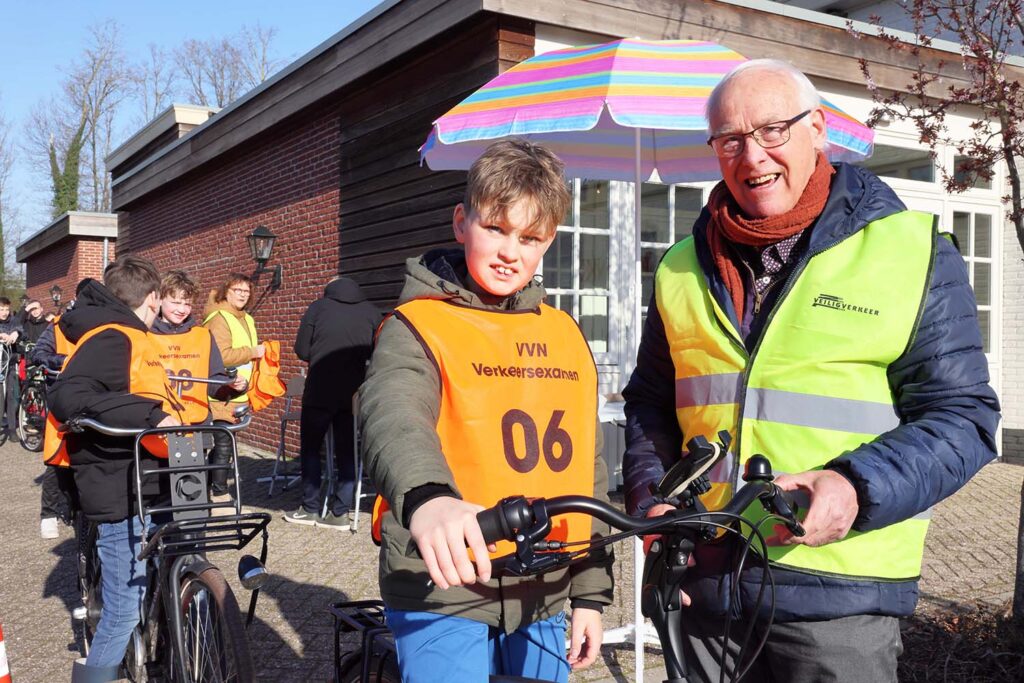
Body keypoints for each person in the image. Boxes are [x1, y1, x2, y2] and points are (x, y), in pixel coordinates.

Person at [621, 59, 1001, 683]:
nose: (753, 157)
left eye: (773, 130)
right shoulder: (680, 267)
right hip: (703, 588)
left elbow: (964, 418)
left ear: (819, 129)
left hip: (838, 598)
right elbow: (651, 405)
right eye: (731, 140)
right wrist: (652, 499)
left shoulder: (910, 250)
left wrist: (855, 487)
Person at [359, 140, 614, 683]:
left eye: (531, 238)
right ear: (461, 222)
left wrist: (589, 592)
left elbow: (587, 472)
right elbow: (393, 413)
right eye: (496, 228)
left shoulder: (566, 334)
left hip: (543, 584)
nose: (510, 252)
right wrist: (428, 498)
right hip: (444, 580)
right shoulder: (417, 325)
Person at [49, 256, 188, 683]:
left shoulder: (128, 337)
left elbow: (130, 387)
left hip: (145, 477)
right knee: (123, 609)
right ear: (151, 298)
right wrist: (152, 415)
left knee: (155, 576)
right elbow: (68, 395)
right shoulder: (113, 337)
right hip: (117, 486)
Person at [286, 276, 379, 529]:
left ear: (329, 288)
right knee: (347, 451)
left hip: (319, 391)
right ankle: (340, 512)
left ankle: (310, 508)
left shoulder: (318, 308)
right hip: (352, 394)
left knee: (311, 450)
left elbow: (302, 350)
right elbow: (377, 352)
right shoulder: (371, 312)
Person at [151, 271, 247, 421]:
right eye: (176, 302)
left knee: (193, 446)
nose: (182, 310)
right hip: (155, 423)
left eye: (187, 304)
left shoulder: (203, 337)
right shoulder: (144, 336)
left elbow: (214, 384)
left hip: (195, 422)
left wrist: (233, 386)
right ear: (160, 299)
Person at [202, 274, 264, 498]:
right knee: (224, 442)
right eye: (238, 291)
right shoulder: (219, 318)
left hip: (239, 391)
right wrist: (252, 352)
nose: (243, 295)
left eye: (246, 292)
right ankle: (219, 493)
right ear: (225, 292)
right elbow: (221, 356)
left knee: (225, 443)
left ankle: (209, 486)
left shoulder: (246, 318)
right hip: (221, 392)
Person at [0, 296, 23, 440]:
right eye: (1, 309)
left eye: (7, 309)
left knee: (11, 396)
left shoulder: (13, 320)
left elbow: (20, 329)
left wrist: (15, 334)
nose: (4, 312)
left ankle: (12, 428)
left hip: (10, 363)